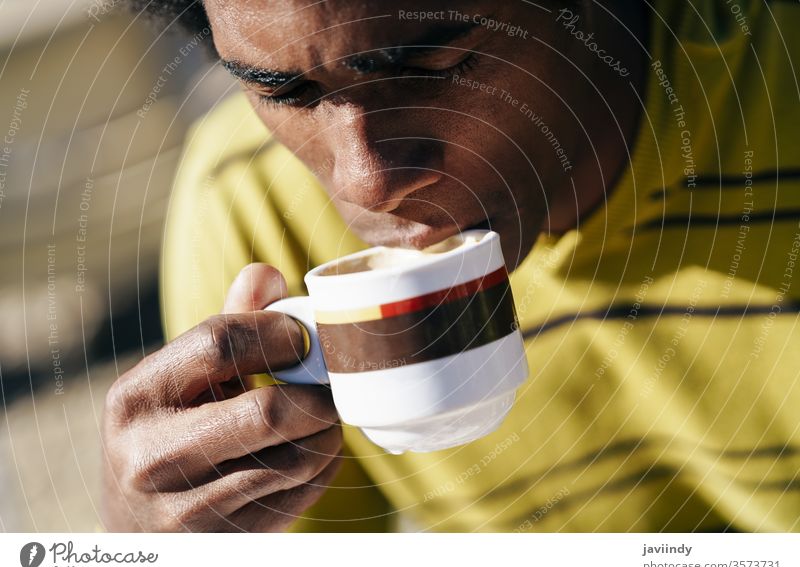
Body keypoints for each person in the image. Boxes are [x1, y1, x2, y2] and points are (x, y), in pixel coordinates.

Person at [102, 0, 800, 532]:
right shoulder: (249, 206)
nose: (365, 181)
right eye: (285, 93)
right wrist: (159, 545)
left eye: (430, 65)